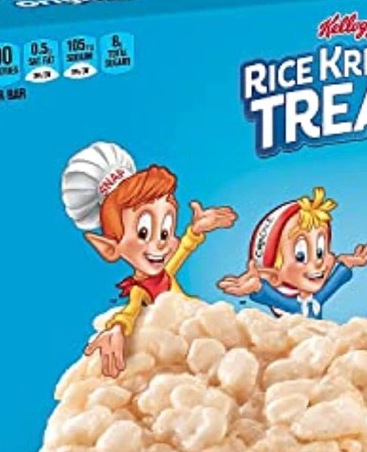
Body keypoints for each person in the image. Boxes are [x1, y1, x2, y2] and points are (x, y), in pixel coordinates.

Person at [61, 141, 237, 376]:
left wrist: (195, 230)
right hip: (178, 351)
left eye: (165, 232)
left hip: (201, 333)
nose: (161, 243)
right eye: (143, 232)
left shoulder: (164, 275)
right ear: (109, 248)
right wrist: (117, 329)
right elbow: (130, 311)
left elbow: (182, 251)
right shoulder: (141, 289)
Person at [218, 186, 367, 318]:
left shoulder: (315, 300)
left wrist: (347, 264)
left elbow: (334, 283)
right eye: (301, 255)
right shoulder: (292, 307)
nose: (318, 262)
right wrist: (258, 287)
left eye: (320, 252)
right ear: (273, 274)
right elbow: (272, 297)